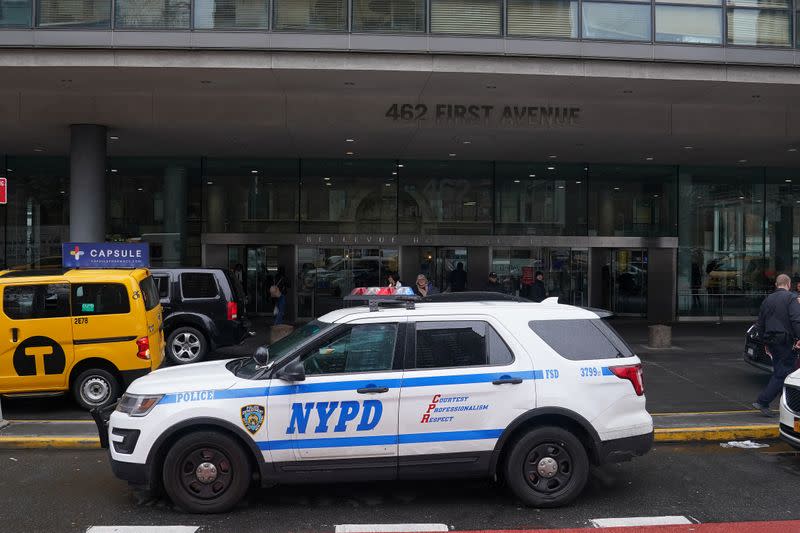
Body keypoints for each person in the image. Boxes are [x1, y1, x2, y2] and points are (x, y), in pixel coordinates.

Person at [752, 273, 800, 417]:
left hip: (771, 341)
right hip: (785, 342)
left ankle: (786, 404)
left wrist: (764, 342)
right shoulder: (791, 298)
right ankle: (763, 401)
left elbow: (760, 324)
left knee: (784, 372)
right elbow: (796, 320)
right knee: (783, 373)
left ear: (776, 284)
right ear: (788, 284)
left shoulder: (767, 299)